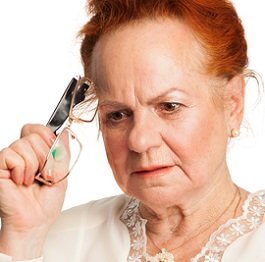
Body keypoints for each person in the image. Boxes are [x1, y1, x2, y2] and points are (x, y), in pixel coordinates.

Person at [0, 0, 264, 261]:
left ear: (233, 104)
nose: (139, 140)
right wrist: (24, 237)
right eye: (117, 115)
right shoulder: (60, 240)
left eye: (169, 106)